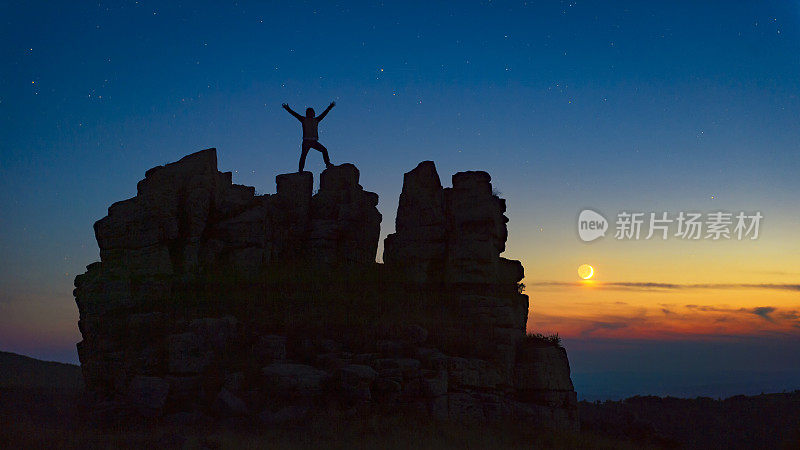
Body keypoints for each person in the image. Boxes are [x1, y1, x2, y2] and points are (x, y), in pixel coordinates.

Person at [282, 101, 335, 172]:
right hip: (306, 141)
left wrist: (330, 107)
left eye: (313, 112)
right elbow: (295, 114)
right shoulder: (304, 119)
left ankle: (327, 164)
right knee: (303, 156)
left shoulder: (316, 120)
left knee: (323, 150)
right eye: (311, 112)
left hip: (313, 141)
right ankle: (300, 170)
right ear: (308, 113)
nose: (313, 113)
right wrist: (288, 109)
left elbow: (324, 114)